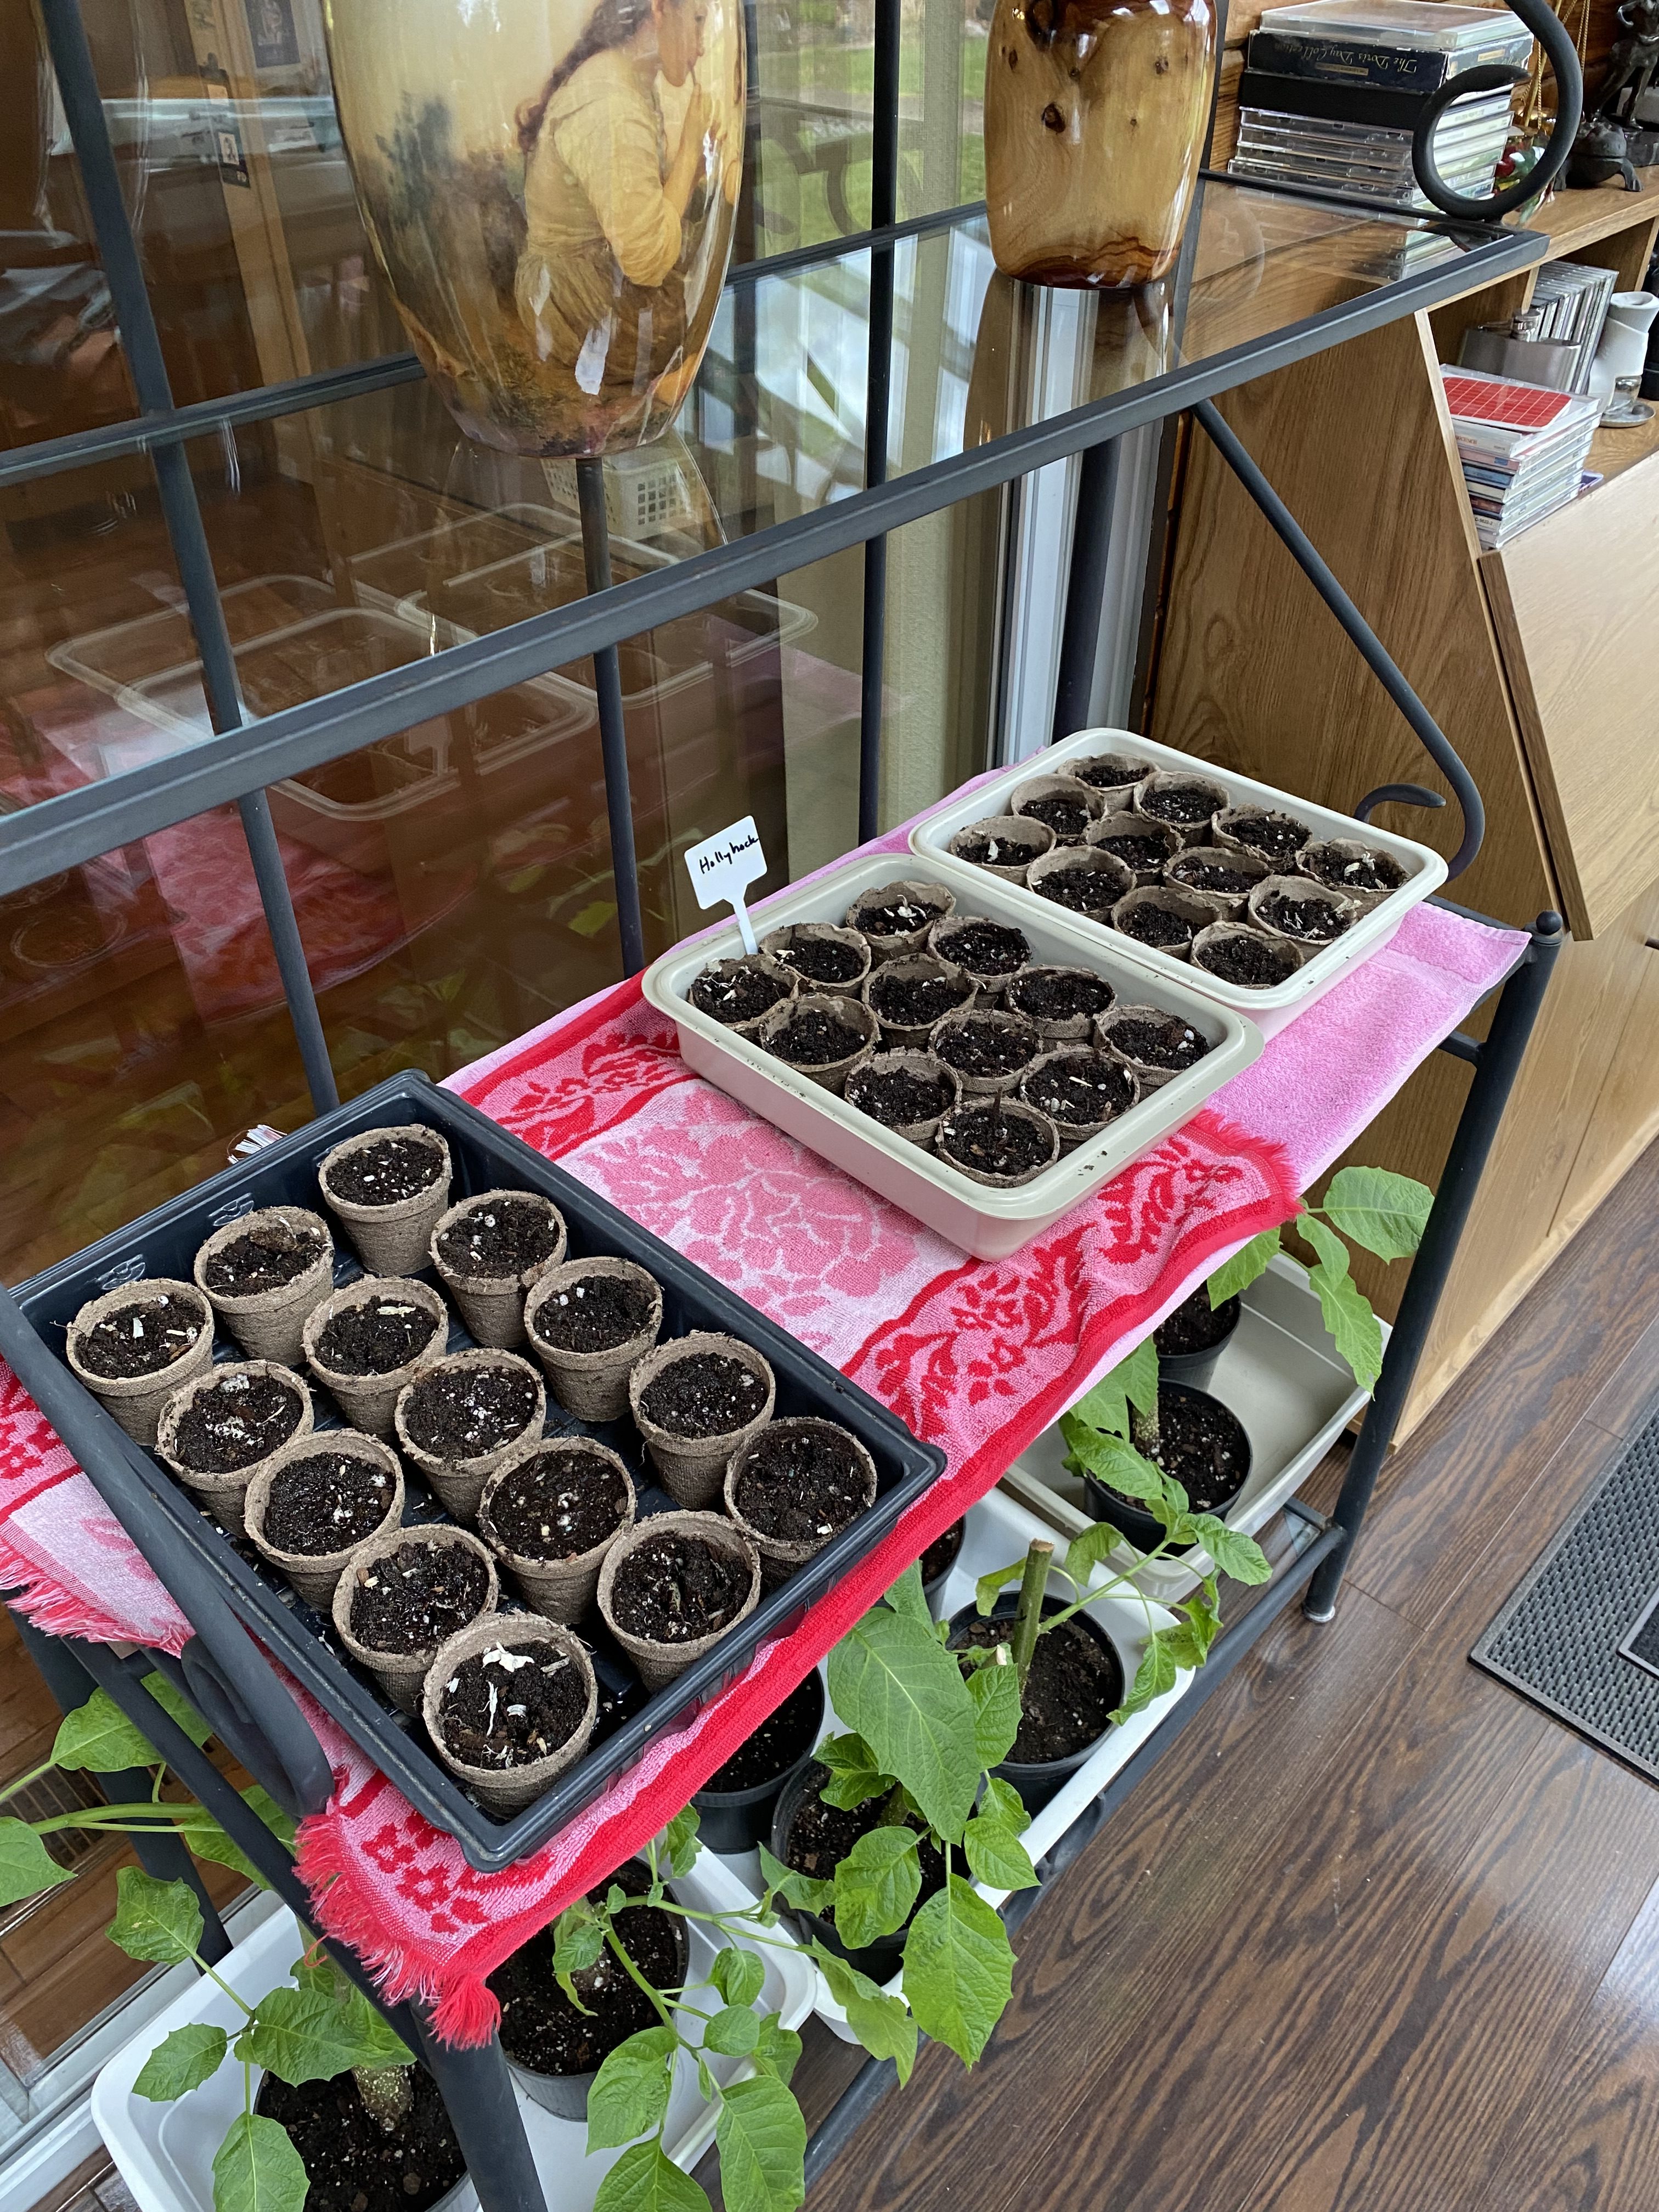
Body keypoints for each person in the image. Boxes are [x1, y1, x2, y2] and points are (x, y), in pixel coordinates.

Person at [514, 0, 726, 403]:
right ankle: (653, 385)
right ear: (660, 9)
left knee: (706, 257)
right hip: (568, 296)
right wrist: (686, 157)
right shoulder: (611, 100)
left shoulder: (632, 78)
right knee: (692, 302)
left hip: (595, 271)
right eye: (697, 21)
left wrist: (695, 169)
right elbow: (644, 258)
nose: (701, 46)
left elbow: (638, 210)